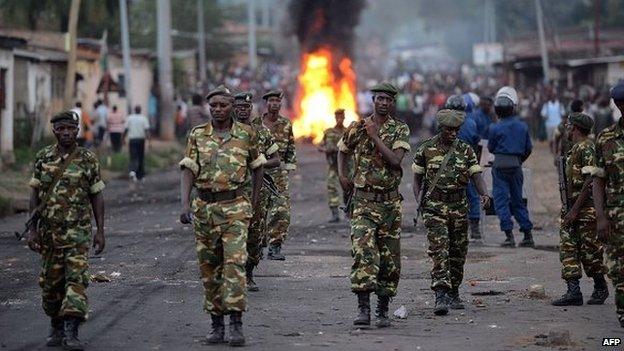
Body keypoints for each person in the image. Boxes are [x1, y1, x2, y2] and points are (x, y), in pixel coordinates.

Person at [179, 86, 264, 345]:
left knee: (235, 264)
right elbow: (188, 170)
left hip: (236, 207)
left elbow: (258, 167)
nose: (218, 109)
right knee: (209, 268)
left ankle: (236, 323)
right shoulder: (197, 135)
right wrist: (184, 206)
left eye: (223, 105)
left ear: (231, 107)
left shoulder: (246, 134)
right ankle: (216, 323)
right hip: (204, 209)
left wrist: (254, 200)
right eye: (213, 105)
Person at [27, 110, 106, 350]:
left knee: (76, 281)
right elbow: (34, 194)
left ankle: (72, 332)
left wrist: (100, 230)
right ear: (54, 131)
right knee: (51, 285)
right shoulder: (43, 158)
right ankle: (56, 324)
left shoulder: (87, 159)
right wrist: (33, 230)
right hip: (50, 235)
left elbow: (97, 195)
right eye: (61, 129)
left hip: (78, 234)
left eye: (70, 129)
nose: (66, 133)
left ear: (77, 130)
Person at [337, 82, 410, 328]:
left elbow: (395, 160)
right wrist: (342, 175)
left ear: (393, 103)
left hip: (389, 204)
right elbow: (342, 150)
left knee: (389, 260)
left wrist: (375, 137)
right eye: (380, 98)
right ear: (373, 100)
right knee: (363, 253)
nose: (384, 103)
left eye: (388, 100)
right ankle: (363, 309)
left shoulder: (400, 129)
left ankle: (382, 310)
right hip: (363, 203)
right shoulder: (357, 127)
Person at [413, 108, 490, 316]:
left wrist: (484, 194)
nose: (453, 133)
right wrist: (419, 200)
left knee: (457, 252)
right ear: (441, 128)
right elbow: (417, 180)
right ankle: (440, 294)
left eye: (456, 130)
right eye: (449, 130)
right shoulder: (425, 149)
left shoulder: (465, 150)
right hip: (435, 208)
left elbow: (476, 176)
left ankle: (454, 290)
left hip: (458, 207)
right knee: (440, 250)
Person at [552, 112, 608, 307]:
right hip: (571, 208)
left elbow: (591, 181)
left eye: (568, 126)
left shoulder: (587, 149)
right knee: (568, 248)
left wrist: (575, 210)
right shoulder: (574, 148)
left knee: (590, 252)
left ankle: (600, 287)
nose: (566, 129)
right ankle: (573, 290)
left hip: (585, 210)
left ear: (574, 128)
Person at [233, 91, 280, 292]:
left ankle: (249, 273)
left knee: (254, 236)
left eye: (246, 107)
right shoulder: (223, 133)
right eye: (239, 107)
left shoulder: (262, 133)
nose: (242, 110)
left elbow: (276, 160)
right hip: (230, 193)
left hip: (256, 193)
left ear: (251, 108)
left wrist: (256, 164)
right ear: (233, 109)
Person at [592, 80, 624, 328]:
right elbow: (598, 180)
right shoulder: (606, 138)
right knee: (617, 271)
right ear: (617, 104)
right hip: (616, 218)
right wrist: (600, 216)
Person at [488, 86, 534, 248]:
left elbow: (491, 148)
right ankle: (527, 234)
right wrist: (519, 160)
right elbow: (528, 148)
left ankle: (509, 236)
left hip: (499, 167)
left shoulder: (494, 128)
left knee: (501, 201)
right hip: (516, 166)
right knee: (518, 201)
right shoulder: (522, 126)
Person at [259, 89, 297, 261]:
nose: (274, 104)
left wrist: (287, 168)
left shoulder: (286, 124)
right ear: (266, 103)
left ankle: (275, 247)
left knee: (281, 211)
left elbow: (290, 147)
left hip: (279, 173)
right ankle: (257, 246)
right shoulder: (255, 123)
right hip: (258, 173)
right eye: (271, 101)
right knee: (258, 211)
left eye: (277, 101)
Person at [453, 95, 483, 241]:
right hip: (468, 163)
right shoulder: (471, 122)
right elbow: (477, 143)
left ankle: (455, 227)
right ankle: (475, 229)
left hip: (450, 166)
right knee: (473, 195)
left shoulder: (444, 124)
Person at [318, 108, 350, 223]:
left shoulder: (348, 132)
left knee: (348, 188)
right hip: (332, 165)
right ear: (335, 117)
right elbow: (320, 146)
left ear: (344, 117)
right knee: (332, 188)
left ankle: (348, 211)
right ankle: (335, 213)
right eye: (338, 116)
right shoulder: (328, 132)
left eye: (342, 116)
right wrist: (327, 149)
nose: (340, 119)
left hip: (346, 166)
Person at [124, 105, 150, 181]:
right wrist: (149, 139)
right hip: (141, 140)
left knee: (133, 156)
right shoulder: (144, 118)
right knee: (141, 157)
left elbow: (126, 129)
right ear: (140, 110)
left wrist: (123, 138)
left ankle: (132, 172)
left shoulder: (130, 118)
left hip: (132, 140)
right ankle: (140, 175)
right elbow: (147, 130)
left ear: (134, 110)